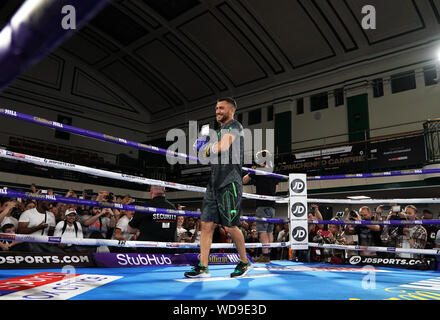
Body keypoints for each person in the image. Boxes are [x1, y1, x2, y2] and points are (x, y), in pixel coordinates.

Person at [184, 97, 252, 278]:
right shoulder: (219, 131)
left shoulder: (234, 126)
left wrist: (205, 147)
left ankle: (244, 262)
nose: (218, 111)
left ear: (231, 110)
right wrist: (203, 147)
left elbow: (223, 146)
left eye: (221, 108)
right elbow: (213, 153)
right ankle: (203, 267)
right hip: (214, 183)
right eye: (216, 108)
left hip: (229, 182)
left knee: (230, 227)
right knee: (206, 225)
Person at [242, 150, 279, 263]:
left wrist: (251, 171)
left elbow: (243, 181)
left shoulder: (258, 171)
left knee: (263, 231)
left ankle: (265, 255)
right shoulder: (273, 172)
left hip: (262, 205)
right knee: (269, 232)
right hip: (272, 206)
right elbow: (276, 189)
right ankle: (268, 255)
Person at [128, 186, 177, 253]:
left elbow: (130, 230)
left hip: (147, 251)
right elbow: (174, 230)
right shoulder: (173, 208)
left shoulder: (145, 207)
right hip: (167, 251)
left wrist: (141, 228)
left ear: (151, 192)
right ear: (164, 192)